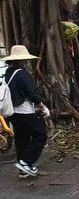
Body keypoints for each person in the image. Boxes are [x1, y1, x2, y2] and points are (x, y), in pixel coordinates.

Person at [3, 45, 49, 177]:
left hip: (12, 112)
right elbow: (31, 93)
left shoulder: (8, 72)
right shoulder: (22, 74)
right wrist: (40, 105)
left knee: (21, 138)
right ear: (21, 60)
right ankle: (26, 163)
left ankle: (23, 170)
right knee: (40, 135)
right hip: (25, 111)